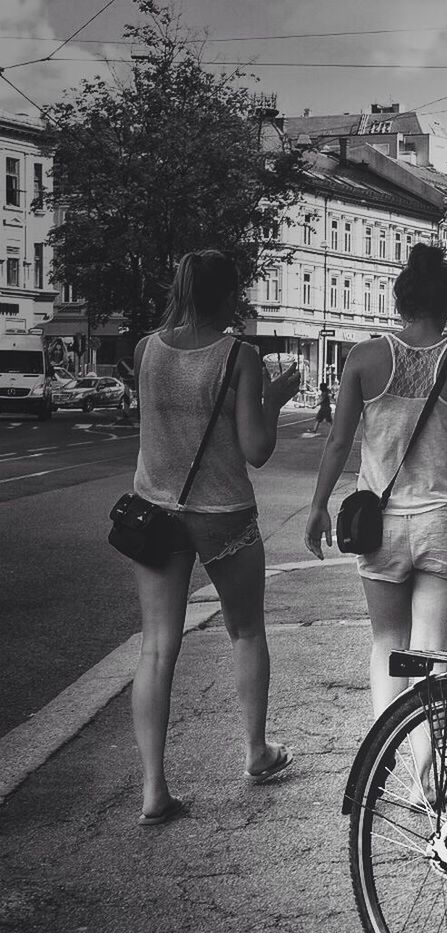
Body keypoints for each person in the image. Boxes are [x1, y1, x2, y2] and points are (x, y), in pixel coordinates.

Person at [128, 250, 302, 825]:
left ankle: (154, 789)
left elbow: (154, 429)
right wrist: (272, 401)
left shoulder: (145, 351)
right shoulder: (240, 356)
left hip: (155, 511)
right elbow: (256, 450)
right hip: (223, 513)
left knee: (156, 648)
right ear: (229, 295)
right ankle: (256, 751)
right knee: (246, 630)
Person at [305, 243, 447, 720]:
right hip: (442, 518)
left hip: (379, 523)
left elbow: (338, 441)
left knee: (388, 643)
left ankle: (382, 760)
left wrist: (318, 505)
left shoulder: (364, 358)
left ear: (400, 301)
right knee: (432, 652)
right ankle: (425, 777)